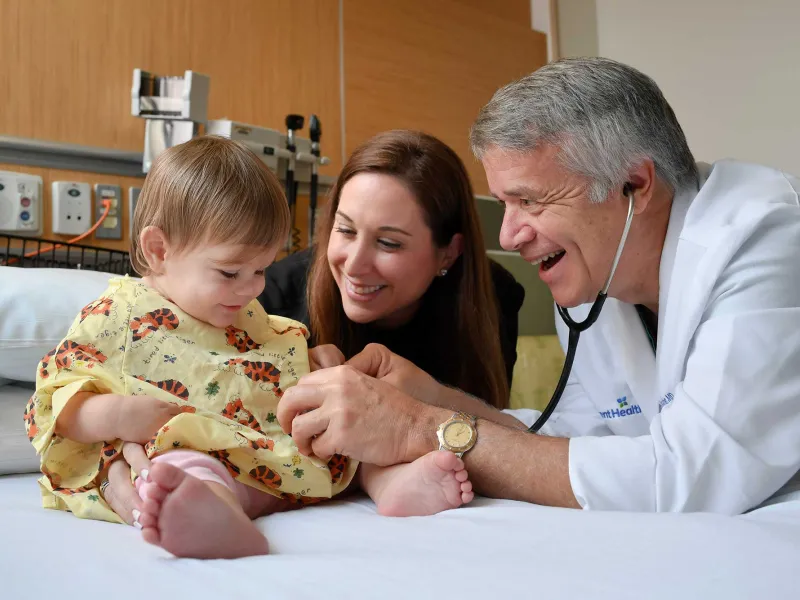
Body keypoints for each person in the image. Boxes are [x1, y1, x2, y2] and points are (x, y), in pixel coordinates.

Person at [275, 57, 800, 515]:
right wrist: (433, 399)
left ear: (635, 186)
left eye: (531, 201)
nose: (508, 235)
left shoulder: (761, 238)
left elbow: (694, 477)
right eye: (504, 204)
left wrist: (418, 426)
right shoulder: (595, 283)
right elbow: (566, 452)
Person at [24, 136, 473, 560]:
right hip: (207, 454)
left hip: (280, 453)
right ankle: (214, 516)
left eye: (261, 270)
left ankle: (390, 483)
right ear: (159, 250)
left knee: (345, 432)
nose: (251, 289)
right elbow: (56, 398)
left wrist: (311, 368)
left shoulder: (247, 315)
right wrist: (114, 415)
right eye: (230, 272)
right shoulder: (118, 314)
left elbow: (271, 368)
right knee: (183, 469)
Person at [260, 129, 525, 409]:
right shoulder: (273, 293)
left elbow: (493, 428)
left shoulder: (495, 295)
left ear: (447, 254)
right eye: (346, 230)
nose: (354, 264)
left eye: (388, 243)